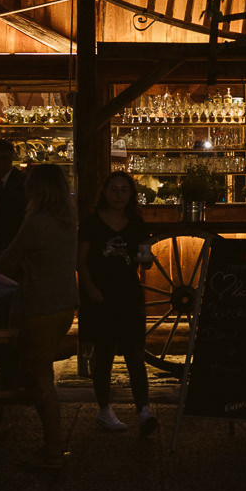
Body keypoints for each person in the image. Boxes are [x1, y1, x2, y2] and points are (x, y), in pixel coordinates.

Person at [0, 163, 77, 467]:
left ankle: (54, 448)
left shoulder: (36, 223)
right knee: (39, 374)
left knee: (42, 379)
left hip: (39, 307)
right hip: (64, 305)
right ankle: (50, 443)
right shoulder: (67, 222)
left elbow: (7, 262)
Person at [78, 169, 156, 436]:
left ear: (131, 194)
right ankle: (104, 409)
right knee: (104, 356)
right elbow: (82, 260)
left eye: (124, 190)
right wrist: (89, 288)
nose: (118, 195)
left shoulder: (136, 223)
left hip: (128, 294)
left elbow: (143, 257)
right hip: (100, 297)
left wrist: (147, 260)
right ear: (105, 192)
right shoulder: (91, 222)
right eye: (114, 189)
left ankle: (144, 411)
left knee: (135, 355)